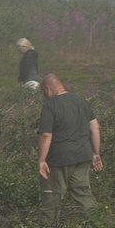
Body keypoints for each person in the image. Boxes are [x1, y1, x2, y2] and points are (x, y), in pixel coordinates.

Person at [35, 73, 100, 218]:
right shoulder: (81, 101)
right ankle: (98, 225)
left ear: (47, 88)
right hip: (83, 156)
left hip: (59, 159)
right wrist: (96, 153)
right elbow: (95, 128)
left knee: (51, 198)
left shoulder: (50, 106)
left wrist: (42, 160)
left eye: (44, 92)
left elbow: (45, 135)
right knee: (83, 195)